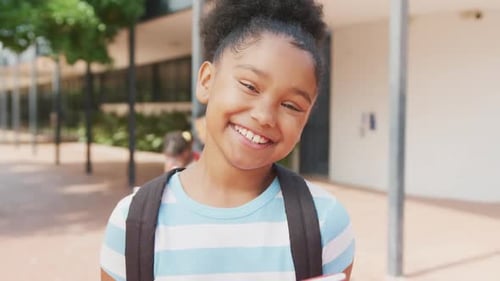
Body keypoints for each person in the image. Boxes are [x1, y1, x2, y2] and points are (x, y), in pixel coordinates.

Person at [100, 0, 355, 280]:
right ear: (207, 80)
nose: (264, 116)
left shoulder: (324, 222)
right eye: (249, 86)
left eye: (292, 105)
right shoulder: (132, 223)